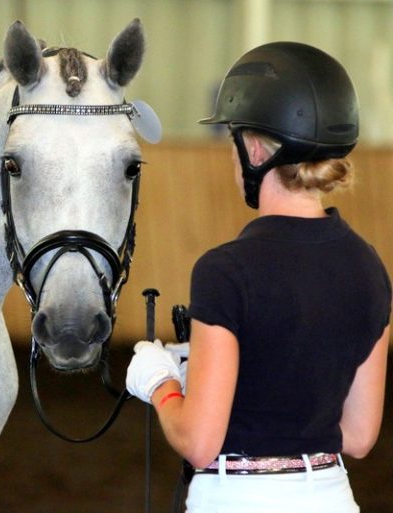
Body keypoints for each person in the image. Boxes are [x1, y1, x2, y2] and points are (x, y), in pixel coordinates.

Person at [125, 41, 391, 513]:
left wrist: (162, 384)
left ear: (253, 148)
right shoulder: (370, 268)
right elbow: (360, 436)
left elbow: (200, 442)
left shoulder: (226, 271)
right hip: (332, 496)